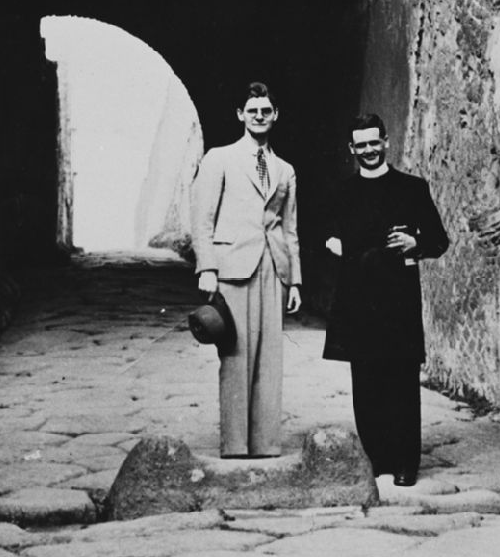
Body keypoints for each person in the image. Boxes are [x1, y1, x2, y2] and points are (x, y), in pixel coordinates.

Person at [323, 113, 449, 487]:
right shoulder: (342, 193)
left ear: (386, 142)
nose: (368, 150)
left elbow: (439, 241)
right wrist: (335, 244)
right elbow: (326, 237)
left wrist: (415, 243)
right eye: (361, 145)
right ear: (352, 149)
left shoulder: (412, 188)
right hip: (358, 300)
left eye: (373, 143)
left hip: (398, 301)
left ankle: (406, 462)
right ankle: (376, 460)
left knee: (402, 382)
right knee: (366, 383)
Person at [190, 81, 301, 457]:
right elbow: (203, 218)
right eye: (252, 110)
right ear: (240, 114)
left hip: (273, 268)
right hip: (233, 267)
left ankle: (267, 443)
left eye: (266, 110)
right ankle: (235, 444)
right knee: (235, 355)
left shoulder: (285, 170)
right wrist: (207, 267)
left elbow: (290, 228)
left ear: (275, 115)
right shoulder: (219, 159)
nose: (259, 116)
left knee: (270, 358)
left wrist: (295, 280)